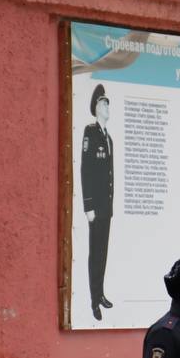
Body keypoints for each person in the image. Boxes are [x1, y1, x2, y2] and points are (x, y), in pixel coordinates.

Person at [81, 84, 115, 321]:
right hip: (96, 206)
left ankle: (100, 293)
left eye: (108, 103)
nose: (107, 106)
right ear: (95, 107)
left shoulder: (108, 137)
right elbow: (86, 170)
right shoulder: (90, 132)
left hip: (107, 206)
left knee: (103, 252)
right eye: (103, 103)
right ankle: (94, 300)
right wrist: (88, 205)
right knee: (95, 253)